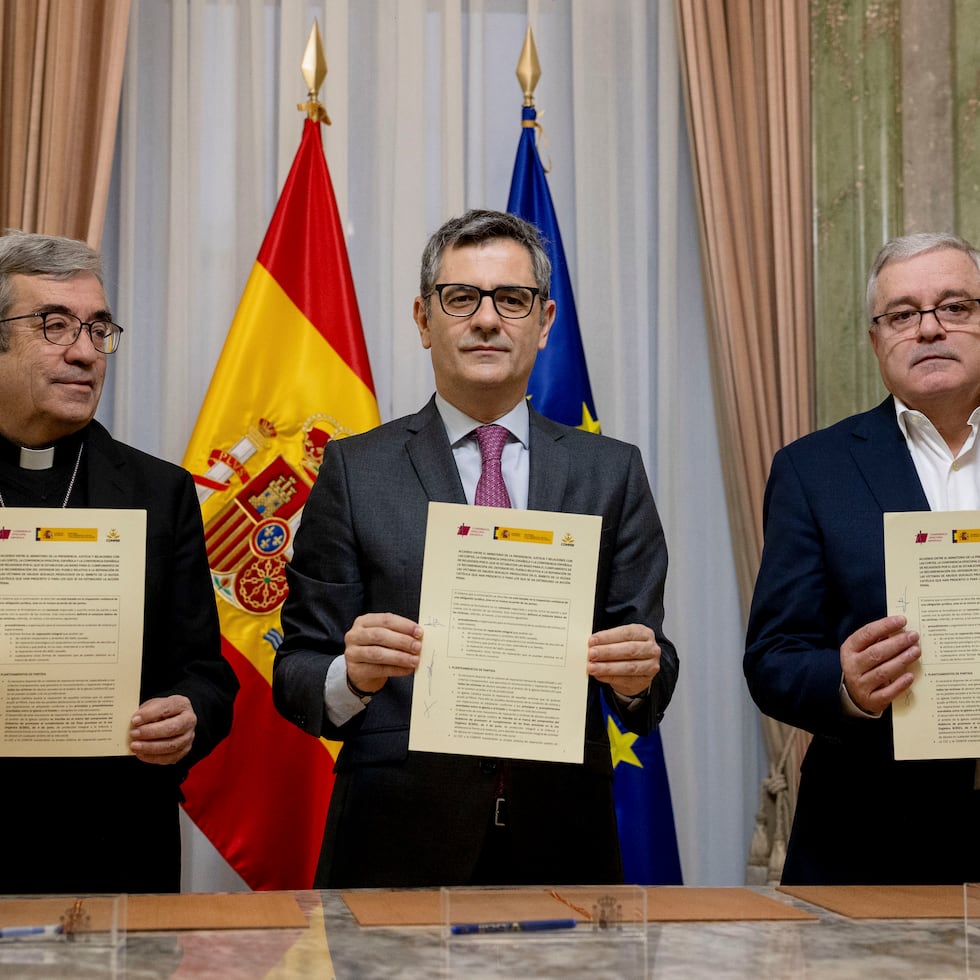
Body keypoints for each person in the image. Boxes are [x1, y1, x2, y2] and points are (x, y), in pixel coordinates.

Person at [274, 209, 678, 888]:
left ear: (545, 322)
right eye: (461, 298)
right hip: (393, 840)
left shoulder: (612, 472)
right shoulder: (355, 469)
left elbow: (649, 662)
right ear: (424, 319)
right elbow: (296, 670)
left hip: (563, 839)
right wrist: (354, 674)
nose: (486, 319)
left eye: (511, 299)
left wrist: (640, 675)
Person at [0, 230, 238, 894]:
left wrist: (189, 713)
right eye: (54, 326)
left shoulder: (159, 492)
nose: (85, 353)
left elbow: (206, 673)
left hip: (116, 850)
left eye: (99, 329)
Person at [745, 231, 980, 885]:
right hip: (874, 838)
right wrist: (846, 685)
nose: (930, 328)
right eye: (903, 314)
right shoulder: (812, 470)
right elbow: (773, 659)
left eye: (955, 306)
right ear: (877, 340)